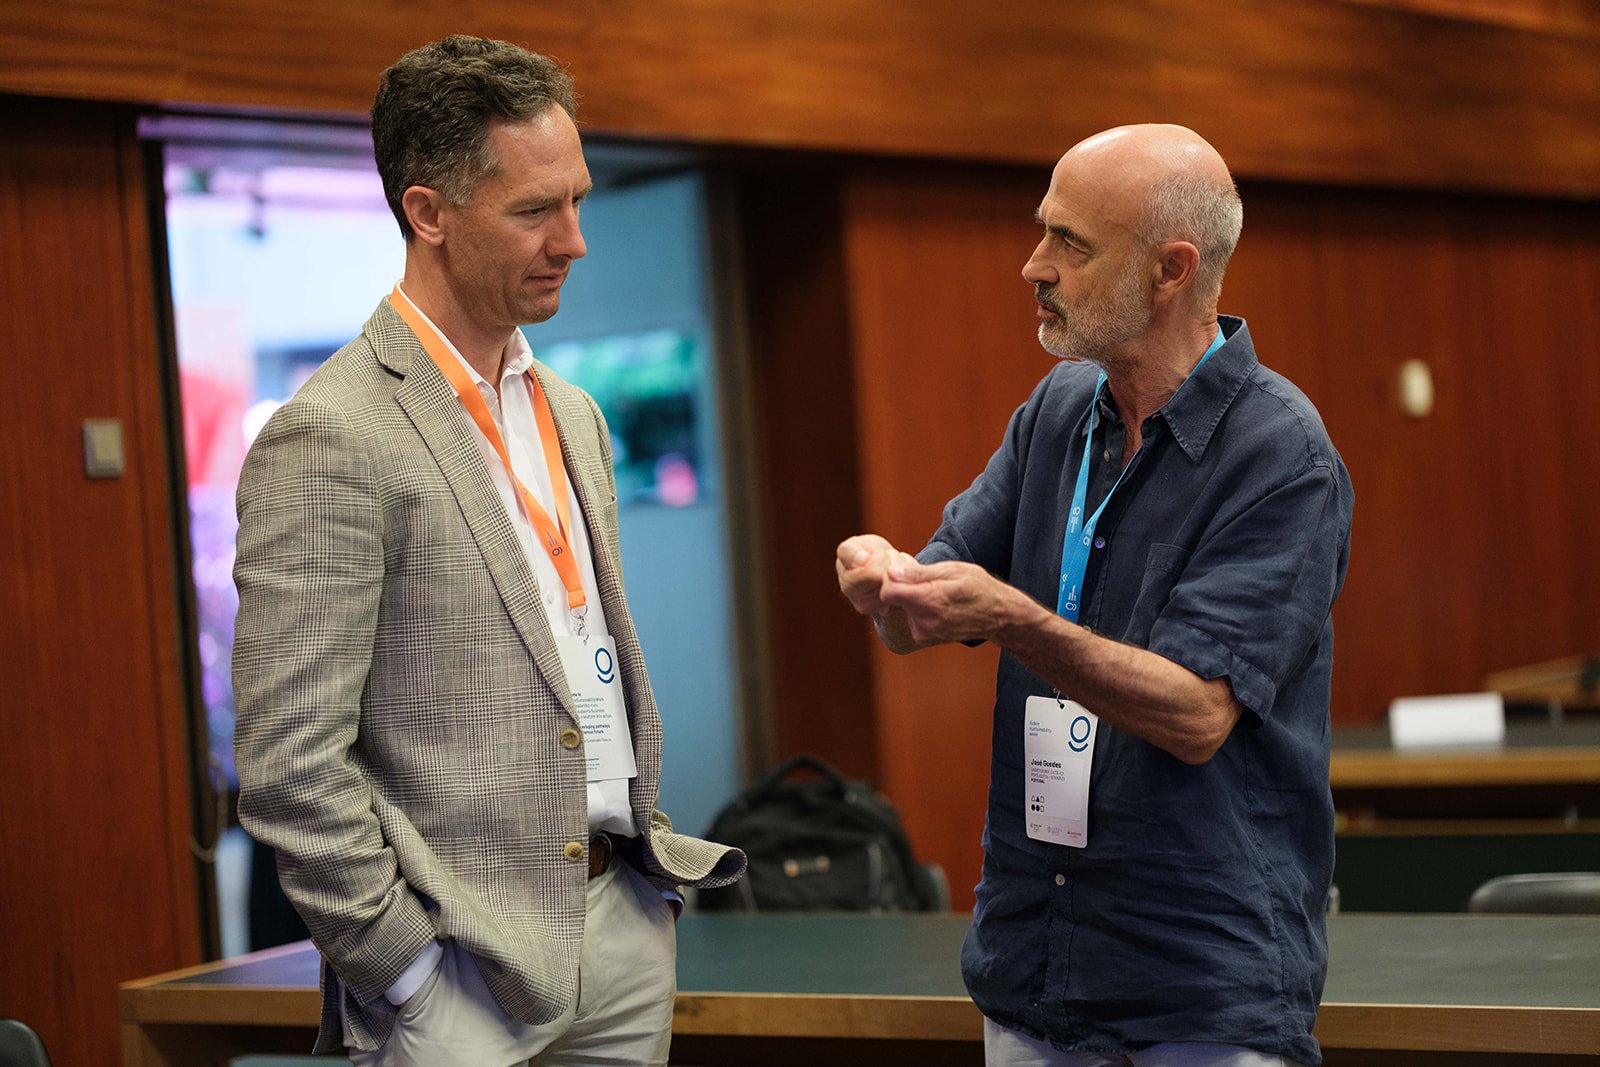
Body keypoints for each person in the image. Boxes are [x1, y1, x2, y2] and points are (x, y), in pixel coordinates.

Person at [233, 35, 743, 1067]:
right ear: (427, 214)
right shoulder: (330, 433)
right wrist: (405, 971)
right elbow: (290, 763)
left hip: (619, 921)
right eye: (532, 211)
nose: (574, 239)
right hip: (457, 969)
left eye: (579, 200)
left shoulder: (574, 413)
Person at [836, 125, 1352, 1067]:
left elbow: (1198, 714)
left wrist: (1014, 618)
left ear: (1170, 269)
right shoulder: (1059, 409)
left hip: (1196, 984)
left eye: (1070, 243)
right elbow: (926, 608)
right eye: (1043, 231)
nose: (1034, 265)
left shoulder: (1282, 456)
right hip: (1034, 963)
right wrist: (886, 576)